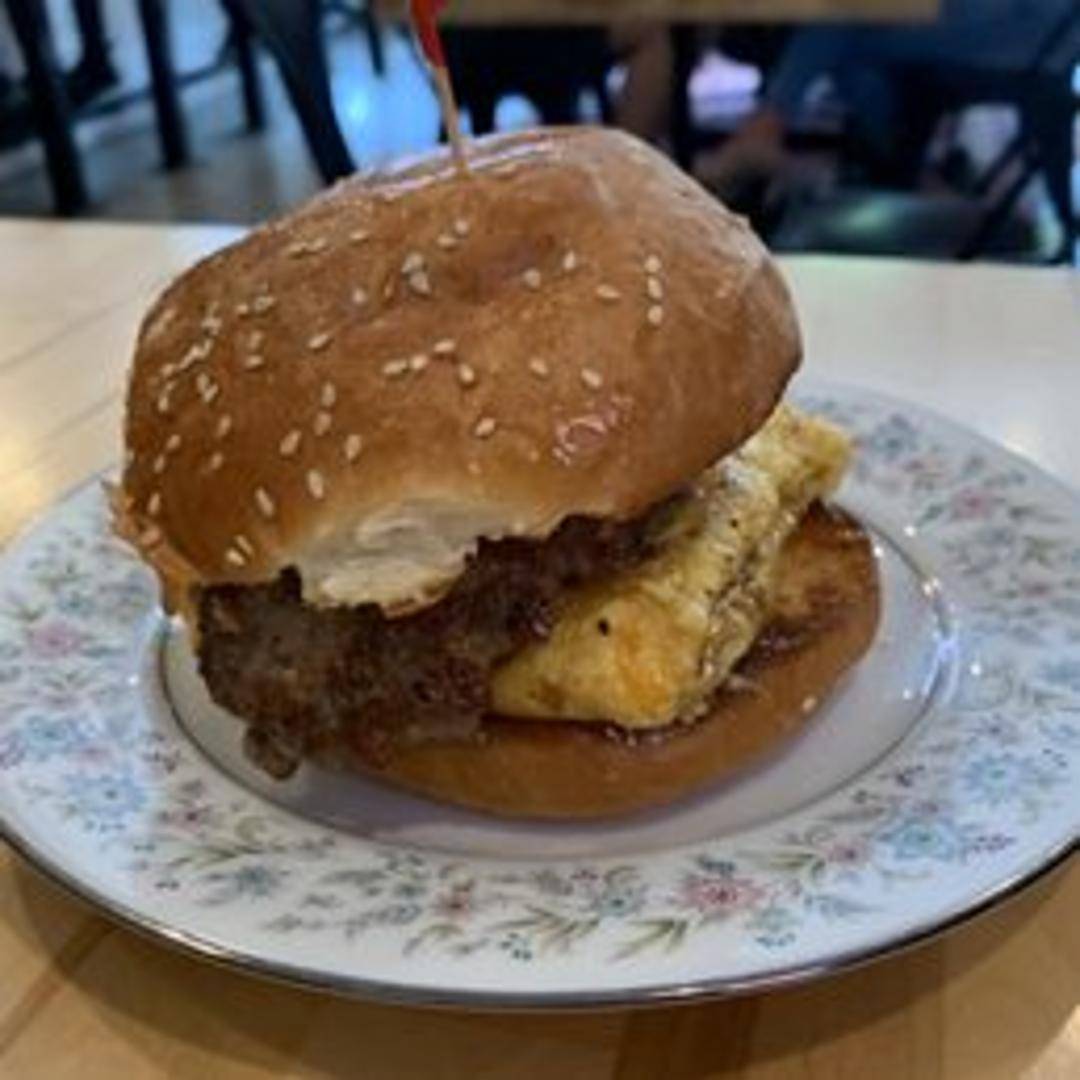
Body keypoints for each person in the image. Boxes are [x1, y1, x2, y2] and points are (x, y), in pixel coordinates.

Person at [696, 0, 1078, 195]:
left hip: (1023, 36)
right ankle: (907, 172)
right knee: (849, 44)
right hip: (1041, 36)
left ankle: (766, 129)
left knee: (843, 27)